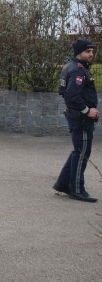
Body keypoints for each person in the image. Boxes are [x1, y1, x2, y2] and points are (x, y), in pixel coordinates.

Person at [54, 39, 99, 203]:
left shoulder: (71, 66)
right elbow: (72, 96)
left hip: (76, 116)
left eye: (92, 51)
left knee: (78, 151)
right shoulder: (79, 71)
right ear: (79, 52)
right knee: (82, 153)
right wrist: (88, 111)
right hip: (80, 118)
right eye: (88, 51)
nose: (91, 54)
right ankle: (77, 189)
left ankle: (63, 183)